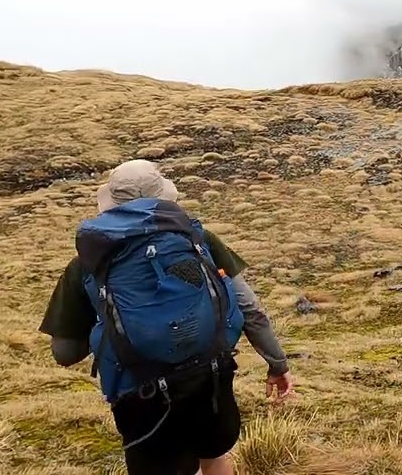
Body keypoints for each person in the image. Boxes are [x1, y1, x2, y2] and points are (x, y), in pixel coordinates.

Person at [39, 159, 294, 475]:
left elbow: (64, 354)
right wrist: (278, 364)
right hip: (210, 374)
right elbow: (250, 309)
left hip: (141, 393)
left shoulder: (87, 262)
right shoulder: (197, 239)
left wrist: (115, 323)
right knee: (213, 456)